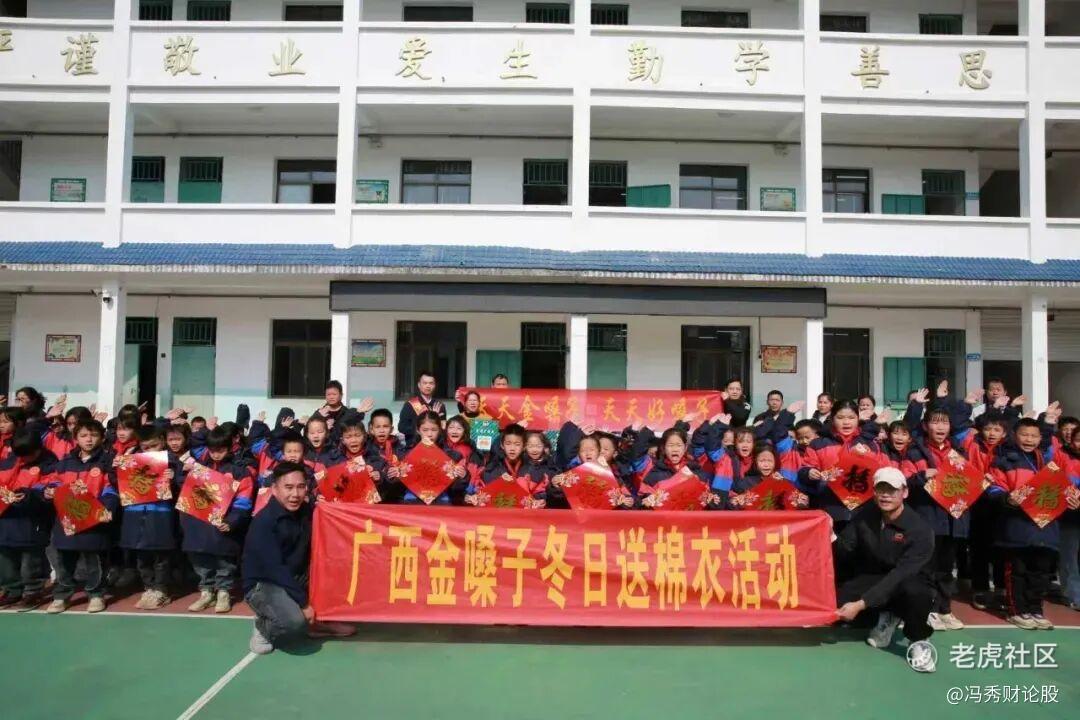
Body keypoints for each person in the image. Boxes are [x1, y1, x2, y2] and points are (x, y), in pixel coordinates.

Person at [243, 462, 355, 654]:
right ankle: (264, 626)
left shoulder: (308, 511)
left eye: (300, 487)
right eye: (288, 487)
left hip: (297, 576)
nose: (295, 494)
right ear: (274, 489)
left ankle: (319, 623)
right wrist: (303, 603)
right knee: (294, 622)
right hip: (266, 583)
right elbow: (275, 569)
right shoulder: (265, 521)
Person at [834, 467, 937, 672]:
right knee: (837, 602)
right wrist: (829, 534)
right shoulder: (865, 515)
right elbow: (845, 548)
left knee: (916, 592)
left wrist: (861, 604)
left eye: (892, 490)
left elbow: (899, 575)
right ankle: (888, 615)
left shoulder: (920, 529)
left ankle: (918, 640)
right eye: (881, 490)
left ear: (904, 493)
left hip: (910, 580)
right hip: (876, 576)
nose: (886, 495)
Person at [988, 416, 1074, 630]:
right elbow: (993, 488)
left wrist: (1073, 499)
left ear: (1040, 438)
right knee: (1017, 572)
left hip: (1047, 528)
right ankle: (1017, 611)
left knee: (1041, 573)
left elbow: (1067, 487)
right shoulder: (1004, 460)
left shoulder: (1050, 462)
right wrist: (1007, 498)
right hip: (1017, 528)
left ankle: (1036, 609)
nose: (1029, 439)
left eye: (1034, 436)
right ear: (1014, 436)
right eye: (1024, 434)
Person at [44, 419, 117, 614]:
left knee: (95, 562)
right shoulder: (65, 462)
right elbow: (53, 482)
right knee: (64, 562)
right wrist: (49, 491)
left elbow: (111, 489)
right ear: (75, 438)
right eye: (84, 435)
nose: (89, 439)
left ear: (102, 437)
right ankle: (62, 595)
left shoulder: (108, 462)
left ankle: (96, 594)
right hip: (66, 520)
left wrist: (107, 508)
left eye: (94, 435)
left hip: (94, 521)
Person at [180, 426, 254, 614]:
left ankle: (223, 592)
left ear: (230, 448)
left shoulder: (240, 472)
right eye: (212, 450)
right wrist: (182, 474)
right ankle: (206, 592)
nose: (216, 454)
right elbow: (186, 491)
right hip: (198, 524)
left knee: (224, 561)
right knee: (201, 559)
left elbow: (243, 502)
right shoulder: (199, 468)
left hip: (223, 525)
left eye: (220, 450)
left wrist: (232, 521)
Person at [0, 429, 56, 611]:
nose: (24, 458)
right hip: (7, 518)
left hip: (32, 520)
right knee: (6, 558)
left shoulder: (49, 463)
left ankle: (32, 591)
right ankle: (11, 590)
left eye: (28, 454)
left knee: (30, 561)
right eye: (20, 455)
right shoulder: (9, 461)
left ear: (38, 449)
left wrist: (29, 495)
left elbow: (50, 489)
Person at [398, 371, 447, 438]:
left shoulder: (440, 405)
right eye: (425, 383)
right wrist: (419, 419)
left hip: (435, 442)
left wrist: (435, 419)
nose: (428, 386)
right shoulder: (410, 404)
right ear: (419, 385)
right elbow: (402, 428)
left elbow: (443, 428)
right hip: (415, 442)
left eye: (431, 383)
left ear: (435, 385)